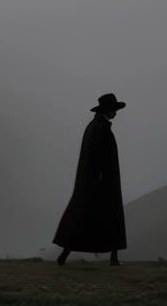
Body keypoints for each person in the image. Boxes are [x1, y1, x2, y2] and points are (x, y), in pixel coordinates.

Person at [52, 93, 127, 266]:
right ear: (108, 110)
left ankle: (65, 254)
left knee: (83, 217)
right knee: (108, 217)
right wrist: (100, 177)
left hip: (94, 182)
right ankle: (113, 258)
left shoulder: (95, 127)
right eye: (114, 110)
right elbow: (97, 156)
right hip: (102, 182)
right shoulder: (100, 129)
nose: (116, 113)